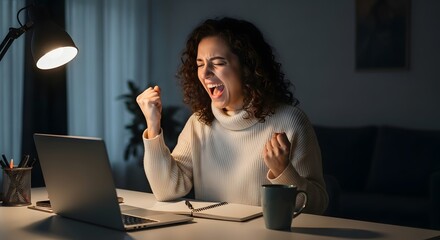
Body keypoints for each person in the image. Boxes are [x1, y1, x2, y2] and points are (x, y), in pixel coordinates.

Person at [136, 17, 328, 214]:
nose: (206, 73)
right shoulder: (199, 123)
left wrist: (283, 172)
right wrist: (153, 125)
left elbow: (318, 207)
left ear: (247, 67)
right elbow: (166, 190)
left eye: (218, 62)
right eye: (200, 64)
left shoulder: (291, 121)